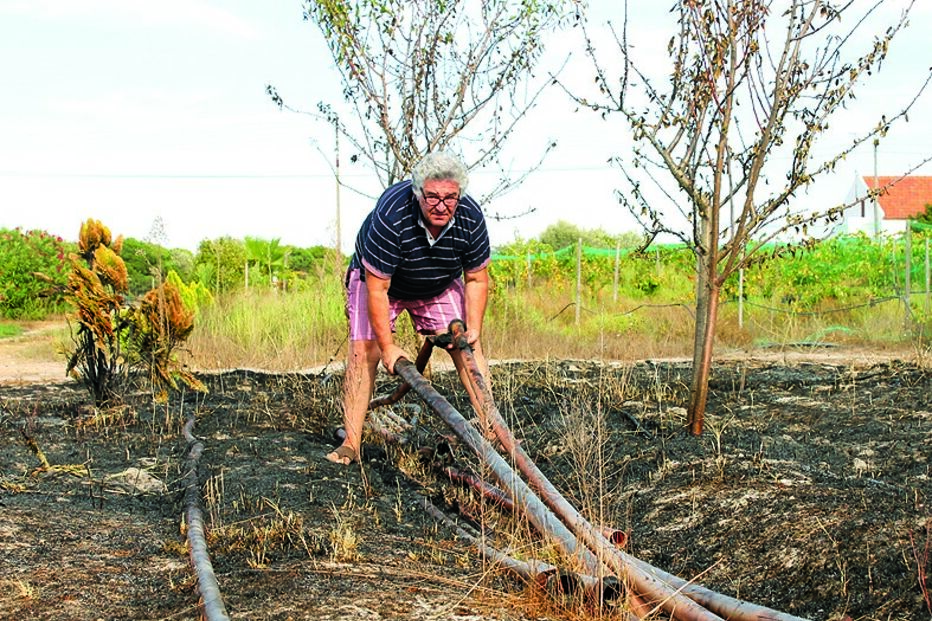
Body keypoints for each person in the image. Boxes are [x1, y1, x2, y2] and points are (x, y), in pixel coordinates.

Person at [326, 151, 493, 465]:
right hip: (379, 283)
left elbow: (476, 279)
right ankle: (350, 442)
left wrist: (474, 329)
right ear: (418, 193)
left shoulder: (470, 216)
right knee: (365, 351)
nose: (441, 205)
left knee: (466, 345)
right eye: (432, 197)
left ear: (459, 195)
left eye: (449, 197)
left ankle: (492, 428)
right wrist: (387, 347)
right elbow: (377, 288)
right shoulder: (393, 215)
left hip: (436, 284)